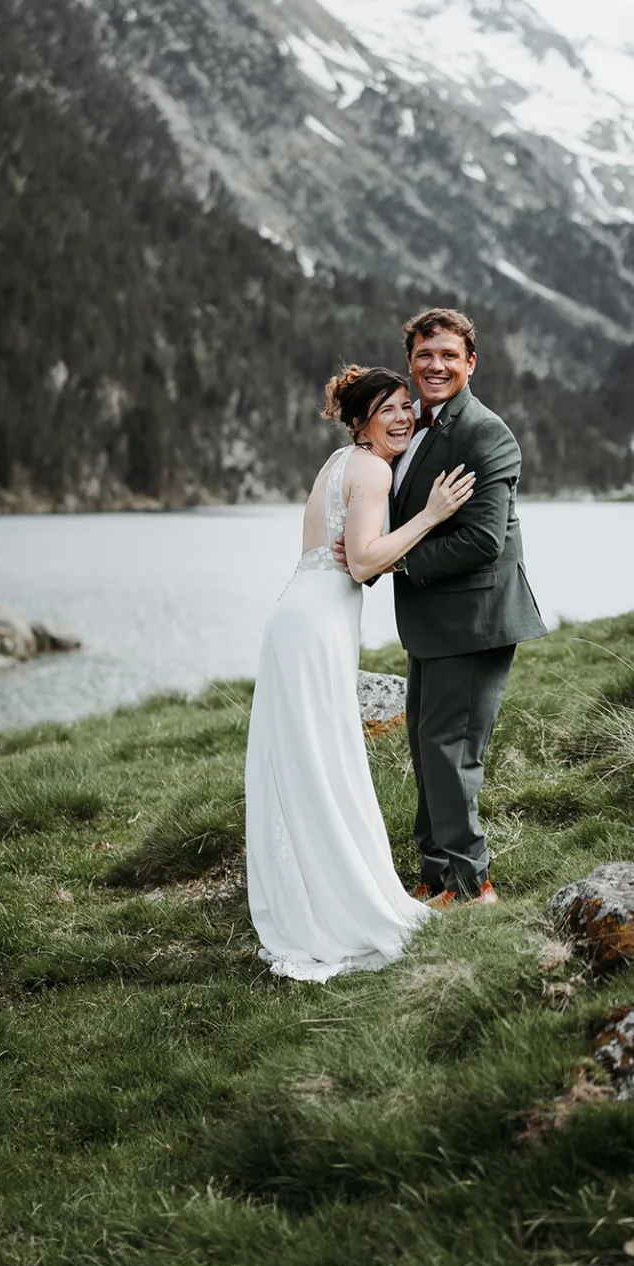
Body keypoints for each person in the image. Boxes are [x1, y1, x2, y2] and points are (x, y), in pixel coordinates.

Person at [244, 363, 476, 982]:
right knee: (325, 762)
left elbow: (343, 551)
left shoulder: (337, 463)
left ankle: (305, 898)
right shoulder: (373, 469)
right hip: (317, 624)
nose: (404, 417)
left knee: (301, 761)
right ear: (361, 421)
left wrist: (374, 551)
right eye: (390, 409)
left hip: (294, 614)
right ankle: (340, 903)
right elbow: (362, 561)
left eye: (408, 406)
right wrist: (430, 514)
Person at [350, 308, 548, 909]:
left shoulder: (483, 432)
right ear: (410, 359)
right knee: (427, 747)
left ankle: (469, 887)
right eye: (424, 355)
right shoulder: (418, 424)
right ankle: (437, 878)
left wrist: (397, 561)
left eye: (448, 356)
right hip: (437, 624)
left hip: (474, 621)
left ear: (470, 363)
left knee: (453, 753)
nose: (435, 365)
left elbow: (483, 541)